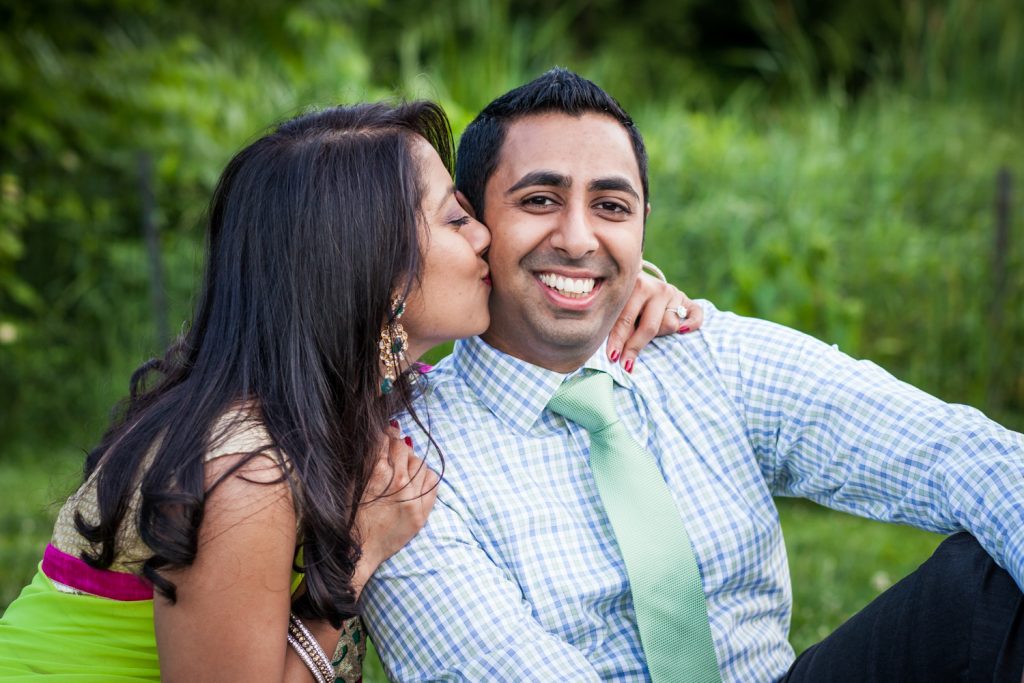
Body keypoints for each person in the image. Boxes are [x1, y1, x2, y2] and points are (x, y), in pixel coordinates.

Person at [0, 99, 699, 681]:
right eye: (456, 219)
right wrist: (359, 553)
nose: (486, 234)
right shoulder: (250, 468)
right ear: (377, 270)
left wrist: (623, 293)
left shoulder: (346, 399)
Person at [361, 68, 1024, 682]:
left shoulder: (705, 351)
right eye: (540, 199)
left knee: (984, 582)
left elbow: (957, 453)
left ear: (643, 229)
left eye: (612, 207)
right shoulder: (409, 462)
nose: (579, 238)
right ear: (474, 225)